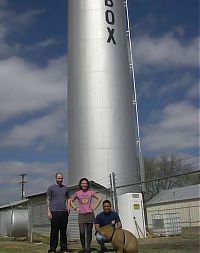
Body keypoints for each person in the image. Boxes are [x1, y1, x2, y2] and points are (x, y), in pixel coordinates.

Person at [70, 178, 102, 253]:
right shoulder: (78, 193)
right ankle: (83, 247)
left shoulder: (91, 192)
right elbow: (70, 200)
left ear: (87, 185)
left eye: (85, 183)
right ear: (80, 185)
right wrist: (75, 208)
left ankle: (88, 248)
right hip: (81, 215)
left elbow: (99, 198)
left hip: (90, 214)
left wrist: (94, 207)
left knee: (89, 232)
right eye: (83, 183)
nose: (84, 185)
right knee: (82, 232)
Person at [47, 172, 69, 253]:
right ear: (56, 178)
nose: (60, 180)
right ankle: (52, 249)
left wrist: (68, 208)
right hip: (54, 212)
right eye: (59, 178)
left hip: (64, 212)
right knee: (54, 232)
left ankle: (64, 248)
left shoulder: (66, 188)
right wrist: (49, 212)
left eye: (61, 178)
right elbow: (48, 200)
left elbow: (68, 198)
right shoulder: (51, 188)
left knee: (63, 231)